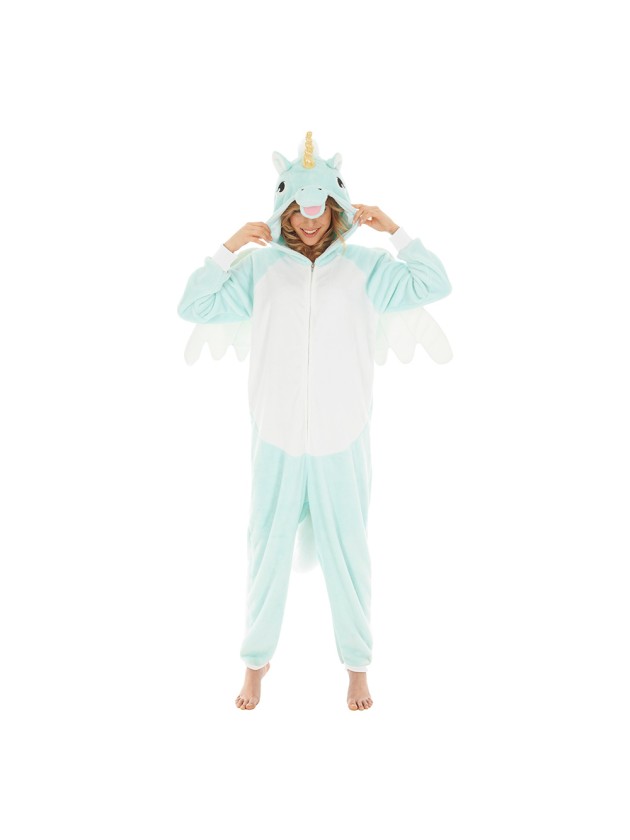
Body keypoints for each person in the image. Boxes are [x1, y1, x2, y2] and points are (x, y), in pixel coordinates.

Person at [177, 132, 452, 711]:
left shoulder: (366, 268)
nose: (309, 221)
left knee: (349, 553)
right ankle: (255, 663)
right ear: (283, 211)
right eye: (298, 211)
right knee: (265, 552)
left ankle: (357, 666)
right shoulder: (260, 270)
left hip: (341, 437)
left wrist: (395, 230)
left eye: (320, 208)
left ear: (336, 208)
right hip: (275, 437)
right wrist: (230, 246)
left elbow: (435, 284)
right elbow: (194, 306)